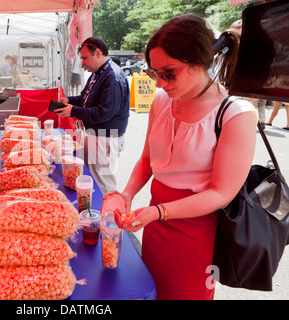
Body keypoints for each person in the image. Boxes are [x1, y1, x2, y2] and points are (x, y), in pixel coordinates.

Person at [104, 14, 257, 300]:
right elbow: (147, 159)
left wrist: (159, 212)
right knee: (149, 290)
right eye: (155, 73)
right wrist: (127, 195)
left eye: (168, 72)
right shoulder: (162, 101)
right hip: (154, 222)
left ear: (199, 61)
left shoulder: (235, 114)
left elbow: (221, 193)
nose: (160, 83)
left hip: (196, 231)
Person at [55, 36, 130, 194]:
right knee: (91, 181)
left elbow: (105, 113)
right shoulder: (98, 73)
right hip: (94, 136)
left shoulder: (112, 77)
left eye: (84, 58)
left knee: (103, 186)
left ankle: (108, 216)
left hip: (105, 138)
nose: (82, 62)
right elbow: (84, 98)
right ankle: (94, 215)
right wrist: (69, 100)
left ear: (97, 53)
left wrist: (73, 111)